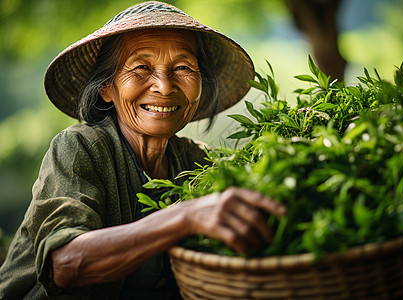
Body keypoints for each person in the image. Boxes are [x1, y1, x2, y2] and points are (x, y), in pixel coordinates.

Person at [0, 1, 286, 299]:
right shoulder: (79, 148)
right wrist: (184, 217)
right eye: (141, 67)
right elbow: (66, 265)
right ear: (106, 87)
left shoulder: (198, 162)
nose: (164, 86)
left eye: (183, 68)